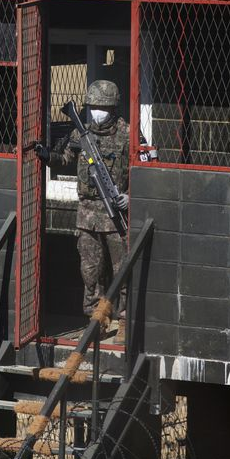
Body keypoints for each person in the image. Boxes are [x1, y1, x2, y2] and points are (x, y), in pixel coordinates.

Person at [35, 79, 132, 321]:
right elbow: (65, 158)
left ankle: (124, 318)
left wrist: (130, 197)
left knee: (123, 271)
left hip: (117, 217)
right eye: (93, 107)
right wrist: (48, 156)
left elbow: (144, 170)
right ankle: (95, 318)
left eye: (103, 108)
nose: (98, 112)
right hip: (87, 213)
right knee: (90, 271)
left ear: (113, 109)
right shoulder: (80, 132)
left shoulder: (128, 134)